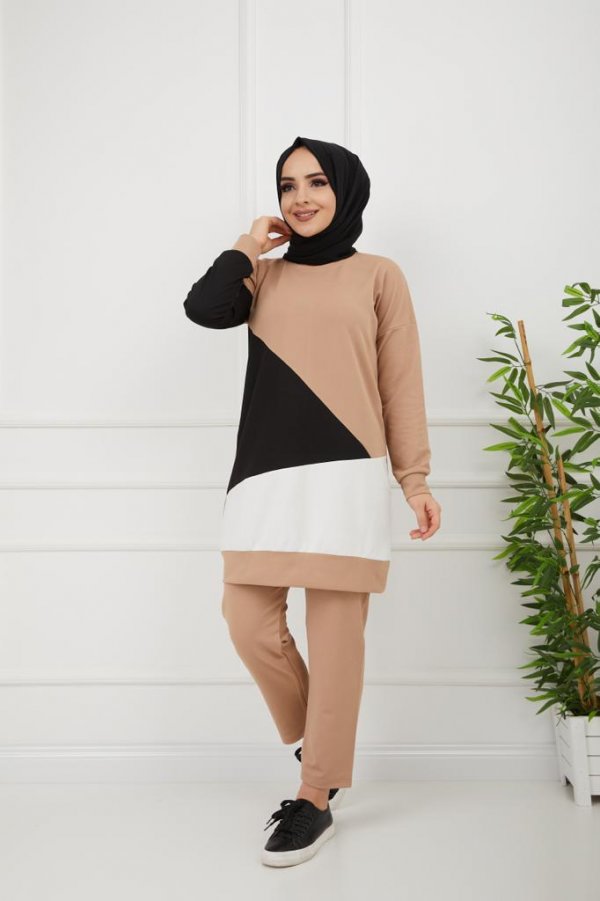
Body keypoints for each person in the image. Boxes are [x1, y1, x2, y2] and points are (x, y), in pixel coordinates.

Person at [183, 135, 442, 867]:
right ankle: (321, 747)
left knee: (335, 647)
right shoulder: (261, 278)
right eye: (288, 185)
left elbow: (401, 381)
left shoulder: (379, 275)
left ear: (346, 190)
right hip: (262, 479)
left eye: (317, 182)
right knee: (246, 622)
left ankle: (316, 793)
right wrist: (247, 243)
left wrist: (415, 479)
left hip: (346, 476)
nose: (301, 197)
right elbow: (204, 307)